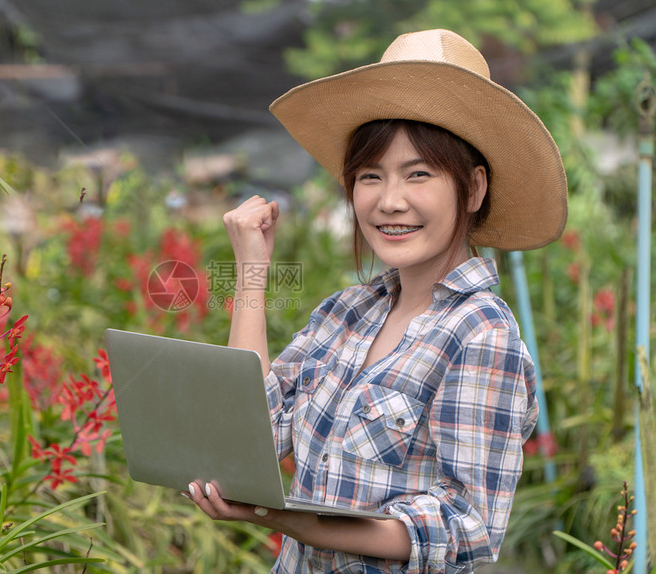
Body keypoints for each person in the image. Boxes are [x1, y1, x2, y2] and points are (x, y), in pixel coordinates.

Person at [183, 29, 568, 573]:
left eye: (418, 174)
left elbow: (466, 529)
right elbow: (252, 439)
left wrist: (290, 519)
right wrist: (251, 272)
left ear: (474, 188)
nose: (390, 202)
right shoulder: (347, 313)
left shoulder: (481, 333)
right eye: (371, 175)